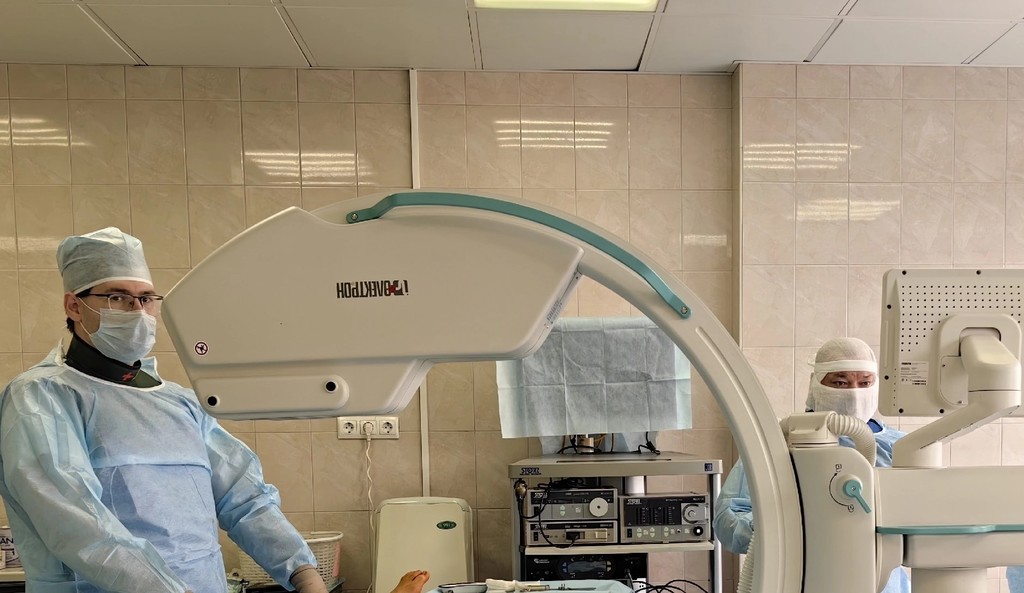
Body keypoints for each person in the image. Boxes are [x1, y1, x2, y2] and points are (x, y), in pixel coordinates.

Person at [0, 227, 431, 593]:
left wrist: (302, 571)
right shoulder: (40, 398)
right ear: (74, 305)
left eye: (147, 298)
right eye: (117, 297)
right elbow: (79, 526)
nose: (137, 311)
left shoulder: (180, 401)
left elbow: (243, 497)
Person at [713, 337, 910, 593]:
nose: (854, 392)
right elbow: (728, 521)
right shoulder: (781, 439)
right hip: (798, 580)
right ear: (816, 385)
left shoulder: (900, 448)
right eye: (840, 382)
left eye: (865, 383)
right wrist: (792, 527)